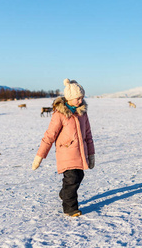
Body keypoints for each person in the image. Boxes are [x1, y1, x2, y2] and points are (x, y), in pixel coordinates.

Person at [32, 79, 95, 217]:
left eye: (82, 98)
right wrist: (39, 156)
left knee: (79, 176)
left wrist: (91, 154)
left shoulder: (82, 113)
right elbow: (49, 136)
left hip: (80, 153)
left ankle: (65, 193)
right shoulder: (59, 114)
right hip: (66, 152)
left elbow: (88, 135)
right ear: (69, 98)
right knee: (71, 179)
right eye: (77, 98)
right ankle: (70, 208)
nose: (80, 101)